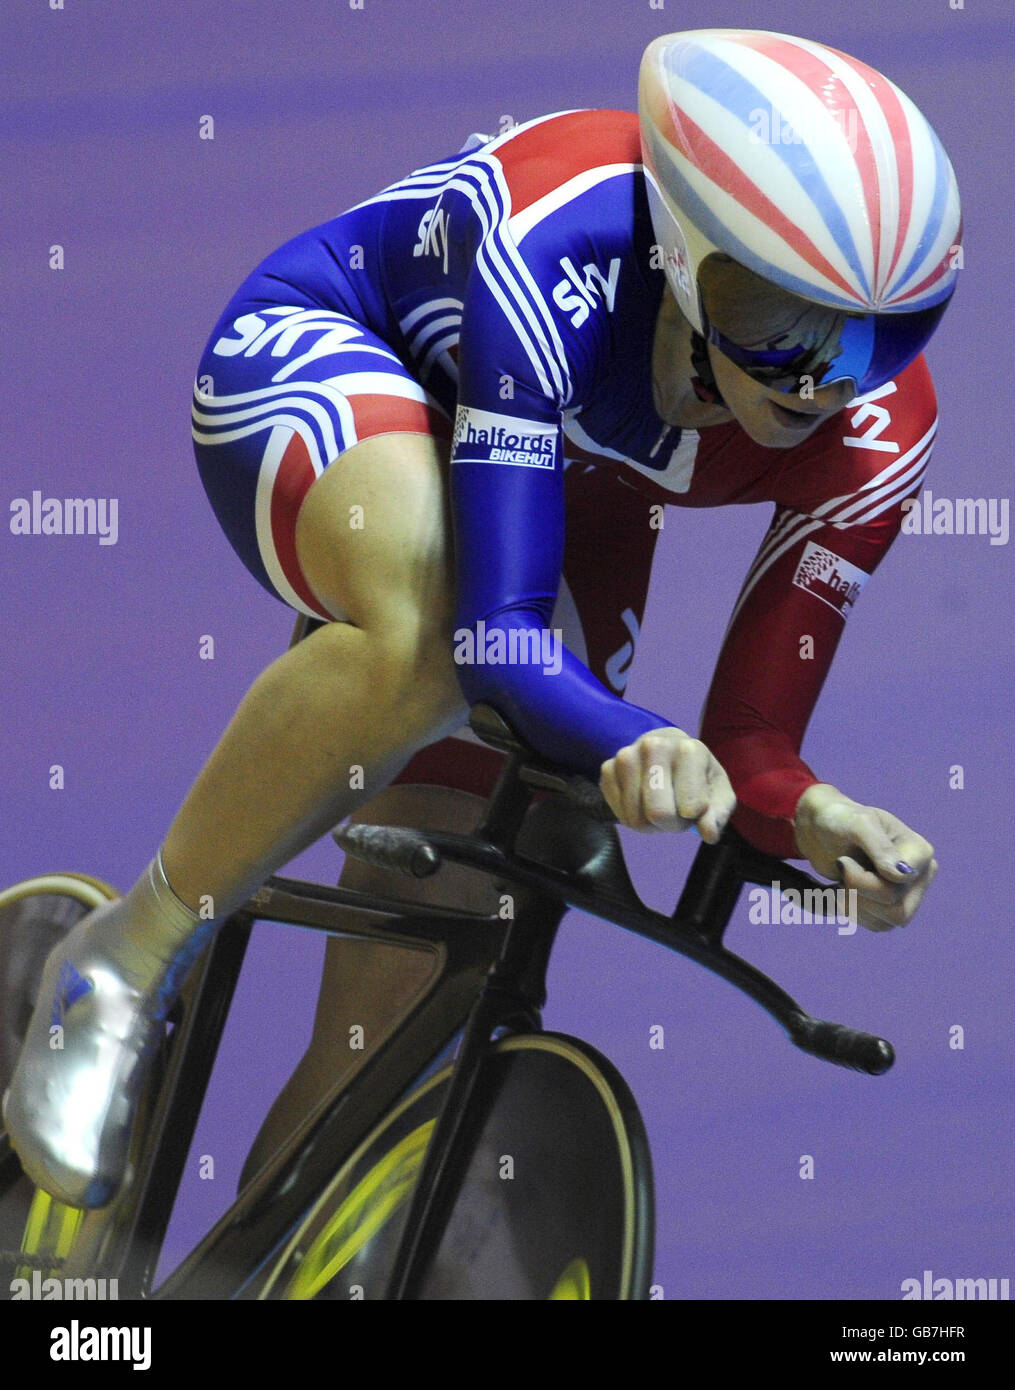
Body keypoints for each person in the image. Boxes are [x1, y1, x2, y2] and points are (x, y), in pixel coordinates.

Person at [4, 28, 960, 1210]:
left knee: (444, 963)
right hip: (348, 349)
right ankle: (119, 962)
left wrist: (812, 817)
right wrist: (624, 736)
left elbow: (749, 749)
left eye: (880, 331)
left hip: (568, 479)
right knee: (423, 637)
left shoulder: (880, 433)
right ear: (680, 246)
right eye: (774, 316)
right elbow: (495, 639)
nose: (819, 382)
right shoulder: (556, 241)